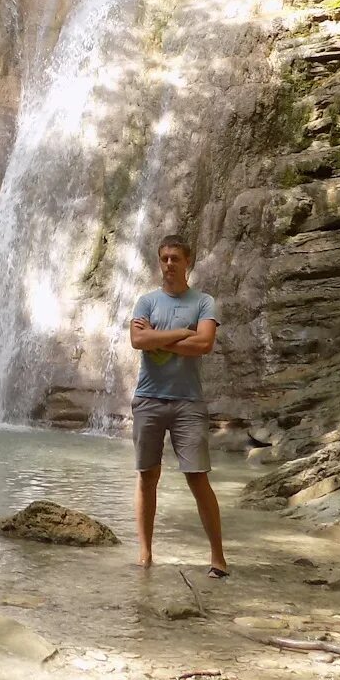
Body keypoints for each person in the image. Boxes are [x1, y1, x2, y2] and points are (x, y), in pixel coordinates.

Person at [128, 234, 226, 576]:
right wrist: (182, 333)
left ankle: (218, 558)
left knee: (198, 478)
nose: (169, 264)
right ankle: (145, 554)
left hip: (188, 402)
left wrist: (160, 338)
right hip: (148, 399)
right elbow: (138, 340)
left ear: (188, 262)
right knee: (146, 477)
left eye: (175, 258)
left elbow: (204, 345)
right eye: (164, 258)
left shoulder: (203, 302)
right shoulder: (146, 302)